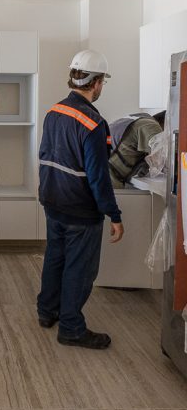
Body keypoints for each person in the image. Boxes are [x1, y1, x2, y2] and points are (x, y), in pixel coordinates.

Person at [37, 49, 124, 350]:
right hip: (80, 209)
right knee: (80, 268)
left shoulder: (54, 112)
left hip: (53, 201)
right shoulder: (93, 123)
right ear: (96, 82)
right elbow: (99, 178)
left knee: (55, 257)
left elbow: (47, 157)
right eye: (102, 82)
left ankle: (47, 311)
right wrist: (114, 215)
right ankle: (71, 328)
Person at [108, 111, 165, 188]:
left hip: (100, 170)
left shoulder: (136, 119)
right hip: (110, 177)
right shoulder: (151, 126)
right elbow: (163, 158)